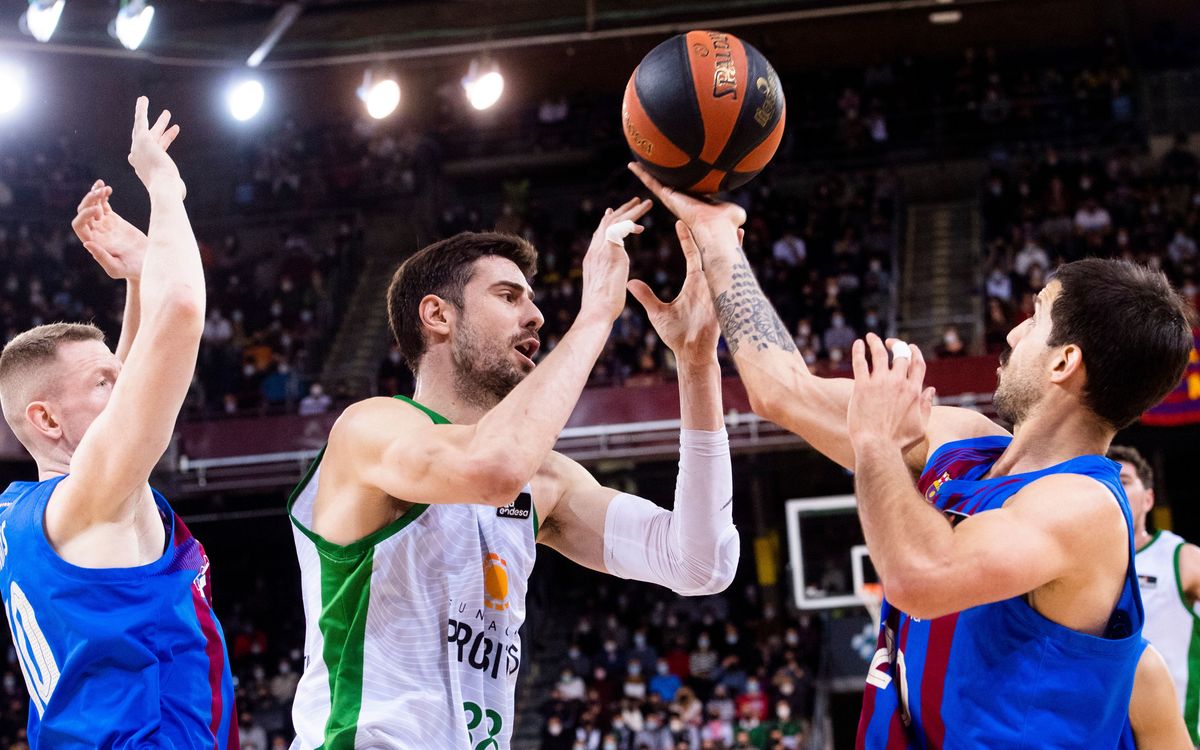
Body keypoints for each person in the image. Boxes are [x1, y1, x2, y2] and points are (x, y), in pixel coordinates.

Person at [630, 161, 1193, 748]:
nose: (1011, 334)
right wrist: (719, 240)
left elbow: (920, 576)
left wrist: (876, 443)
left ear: (1063, 362)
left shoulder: (1086, 507)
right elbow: (783, 392)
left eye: (1035, 319)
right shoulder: (963, 440)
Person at [287, 201, 739, 748]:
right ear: (437, 316)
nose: (536, 315)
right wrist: (597, 313)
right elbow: (491, 467)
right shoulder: (369, 430)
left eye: (531, 297)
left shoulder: (544, 481)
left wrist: (696, 363)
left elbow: (699, 563)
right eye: (508, 296)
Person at [0, 99, 236, 747]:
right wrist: (164, 185)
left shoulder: (27, 507)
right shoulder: (94, 494)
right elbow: (181, 308)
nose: (124, 382)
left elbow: (130, 372)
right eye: (101, 382)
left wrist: (137, 274)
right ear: (46, 418)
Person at [1110, 444, 1200, 743]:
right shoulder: (1076, 560)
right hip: (1102, 733)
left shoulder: (1181, 557)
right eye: (1105, 481)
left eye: (1124, 481)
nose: (1112, 488)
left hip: (1173, 735)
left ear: (1148, 499)